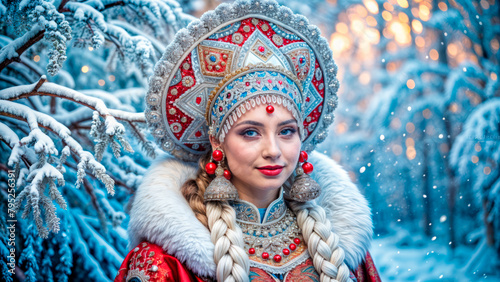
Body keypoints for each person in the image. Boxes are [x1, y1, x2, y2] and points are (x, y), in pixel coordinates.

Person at [115, 0, 380, 281]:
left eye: (286, 131)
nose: (273, 151)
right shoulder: (167, 261)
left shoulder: (341, 248)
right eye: (250, 132)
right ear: (217, 142)